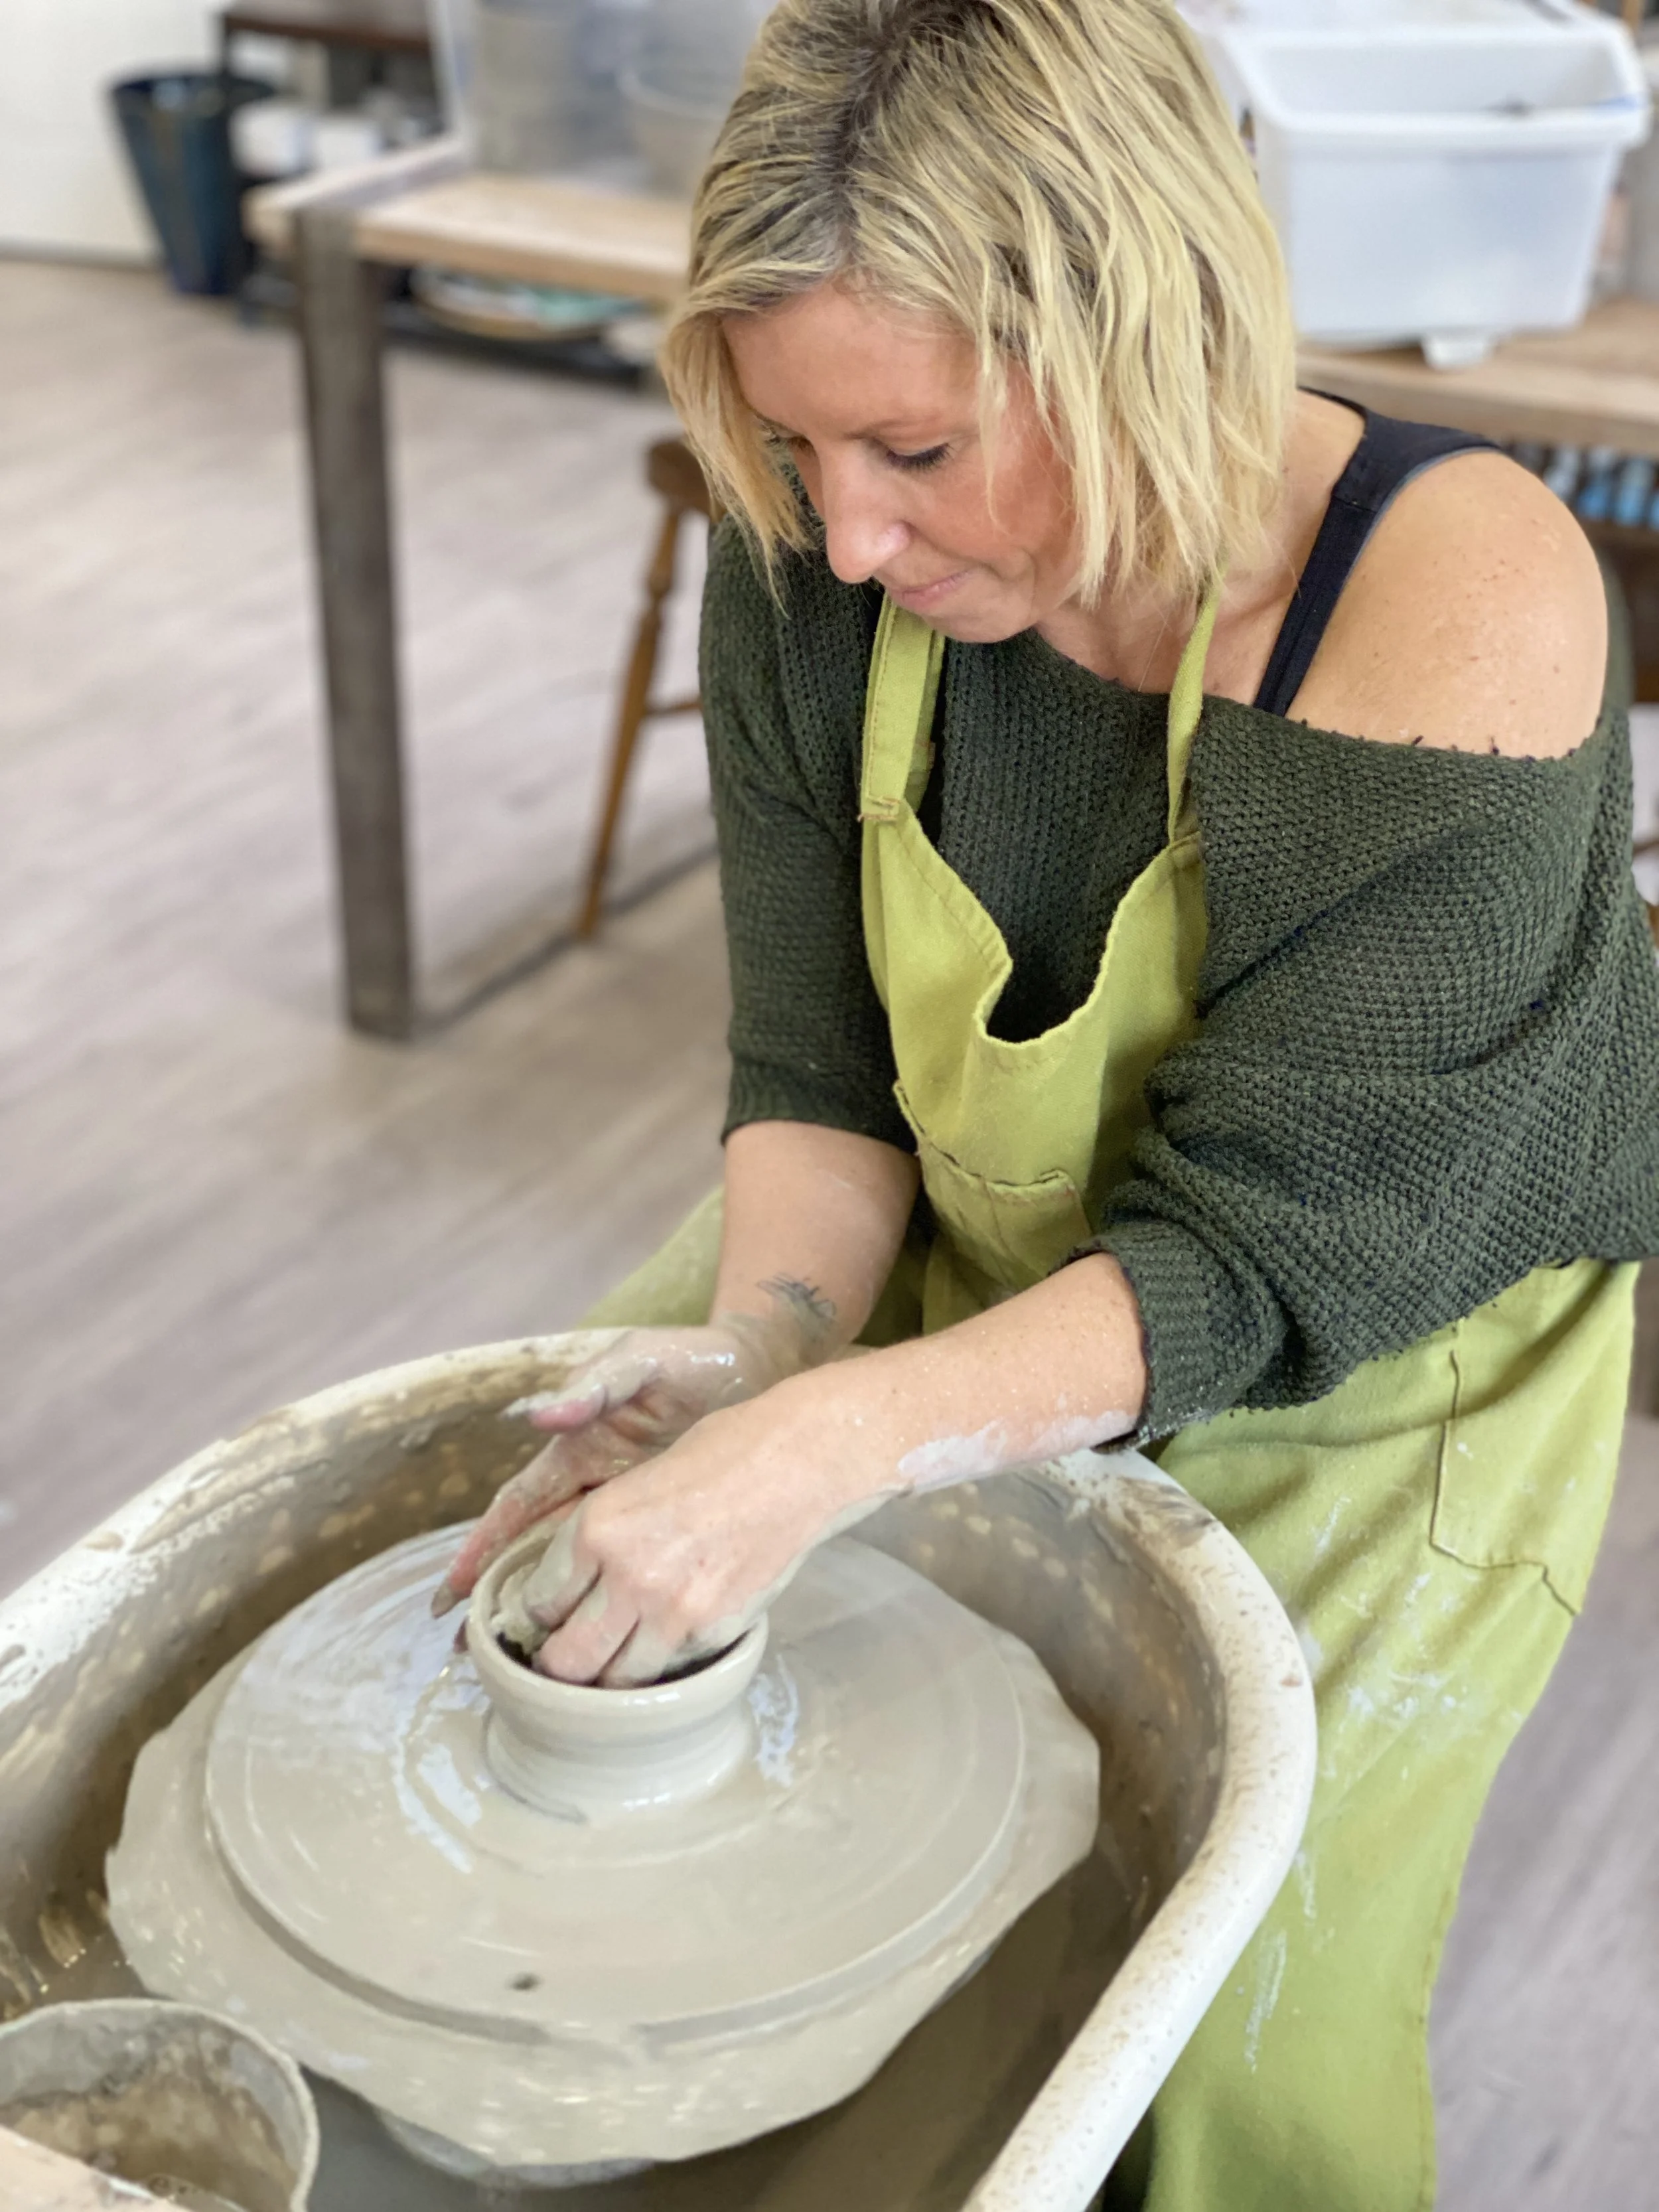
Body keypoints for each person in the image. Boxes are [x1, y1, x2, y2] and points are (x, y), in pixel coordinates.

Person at [435, 1, 1659, 2203]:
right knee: (531, 1638)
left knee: (1201, 2003)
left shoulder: (1455, 594)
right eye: (800, 455)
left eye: (910, 450)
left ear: (1139, 337)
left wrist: (826, 1445)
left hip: (1372, 1326)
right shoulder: (814, 523)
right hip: (983, 1233)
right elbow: (816, 1069)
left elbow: (1271, 1248)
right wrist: (771, 1346)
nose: (848, 536)